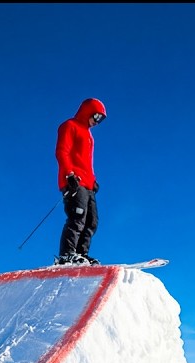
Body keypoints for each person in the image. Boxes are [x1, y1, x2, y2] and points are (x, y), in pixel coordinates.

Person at [54, 97, 107, 266]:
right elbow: (62, 152)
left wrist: (93, 180)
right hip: (74, 180)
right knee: (78, 216)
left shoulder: (89, 135)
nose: (97, 122)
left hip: (87, 183)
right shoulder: (69, 126)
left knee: (92, 221)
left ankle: (80, 254)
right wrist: (69, 175)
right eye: (96, 116)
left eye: (101, 119)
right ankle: (67, 254)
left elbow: (85, 162)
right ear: (87, 112)